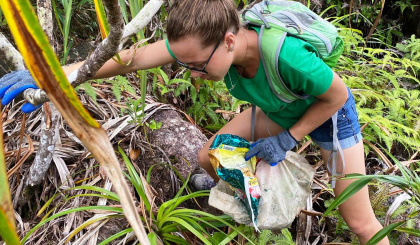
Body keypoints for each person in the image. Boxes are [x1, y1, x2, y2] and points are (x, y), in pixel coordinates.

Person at [0, 0, 388, 243]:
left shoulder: (287, 57)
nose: (190, 73)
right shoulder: (201, 42)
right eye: (183, 63)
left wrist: (289, 138)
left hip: (327, 118)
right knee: (208, 158)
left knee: (359, 222)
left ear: (230, 42)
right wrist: (48, 74)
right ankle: (248, 202)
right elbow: (130, 58)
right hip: (277, 110)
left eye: (197, 66)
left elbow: (338, 96)